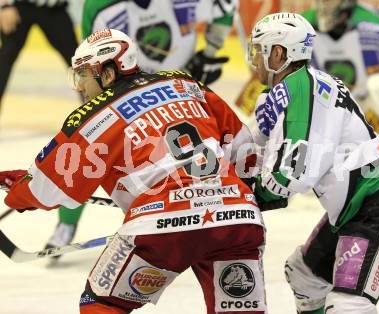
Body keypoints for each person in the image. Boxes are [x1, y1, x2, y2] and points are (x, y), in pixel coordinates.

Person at [0, 28, 267, 314]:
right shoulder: (186, 84)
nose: (79, 87)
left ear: (108, 72)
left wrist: (18, 192)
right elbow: (244, 150)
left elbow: (48, 189)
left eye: (84, 75)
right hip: (238, 218)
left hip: (162, 225)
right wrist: (236, 197)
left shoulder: (95, 116)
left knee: (101, 304)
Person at [248, 12, 379, 313]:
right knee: (305, 274)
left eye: (258, 49)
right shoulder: (294, 87)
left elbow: (291, 176)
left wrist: (250, 193)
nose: (253, 58)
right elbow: (251, 146)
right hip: (359, 200)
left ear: (277, 53)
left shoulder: (301, 91)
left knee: (348, 304)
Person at [48, 0, 238, 252]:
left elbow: (226, 7)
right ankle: (66, 224)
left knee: (192, 143)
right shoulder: (99, 6)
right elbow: (90, 60)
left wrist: (210, 52)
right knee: (92, 148)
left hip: (175, 85)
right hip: (125, 93)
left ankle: (197, 203)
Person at [236, 0, 379, 188]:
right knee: (264, 102)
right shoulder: (301, 28)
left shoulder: (376, 27)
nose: (324, 3)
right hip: (327, 116)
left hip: (375, 117)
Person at [0, 0, 78, 114]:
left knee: (77, 60)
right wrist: (5, 5)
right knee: (5, 59)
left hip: (54, 6)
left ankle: (97, 114)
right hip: (17, 6)